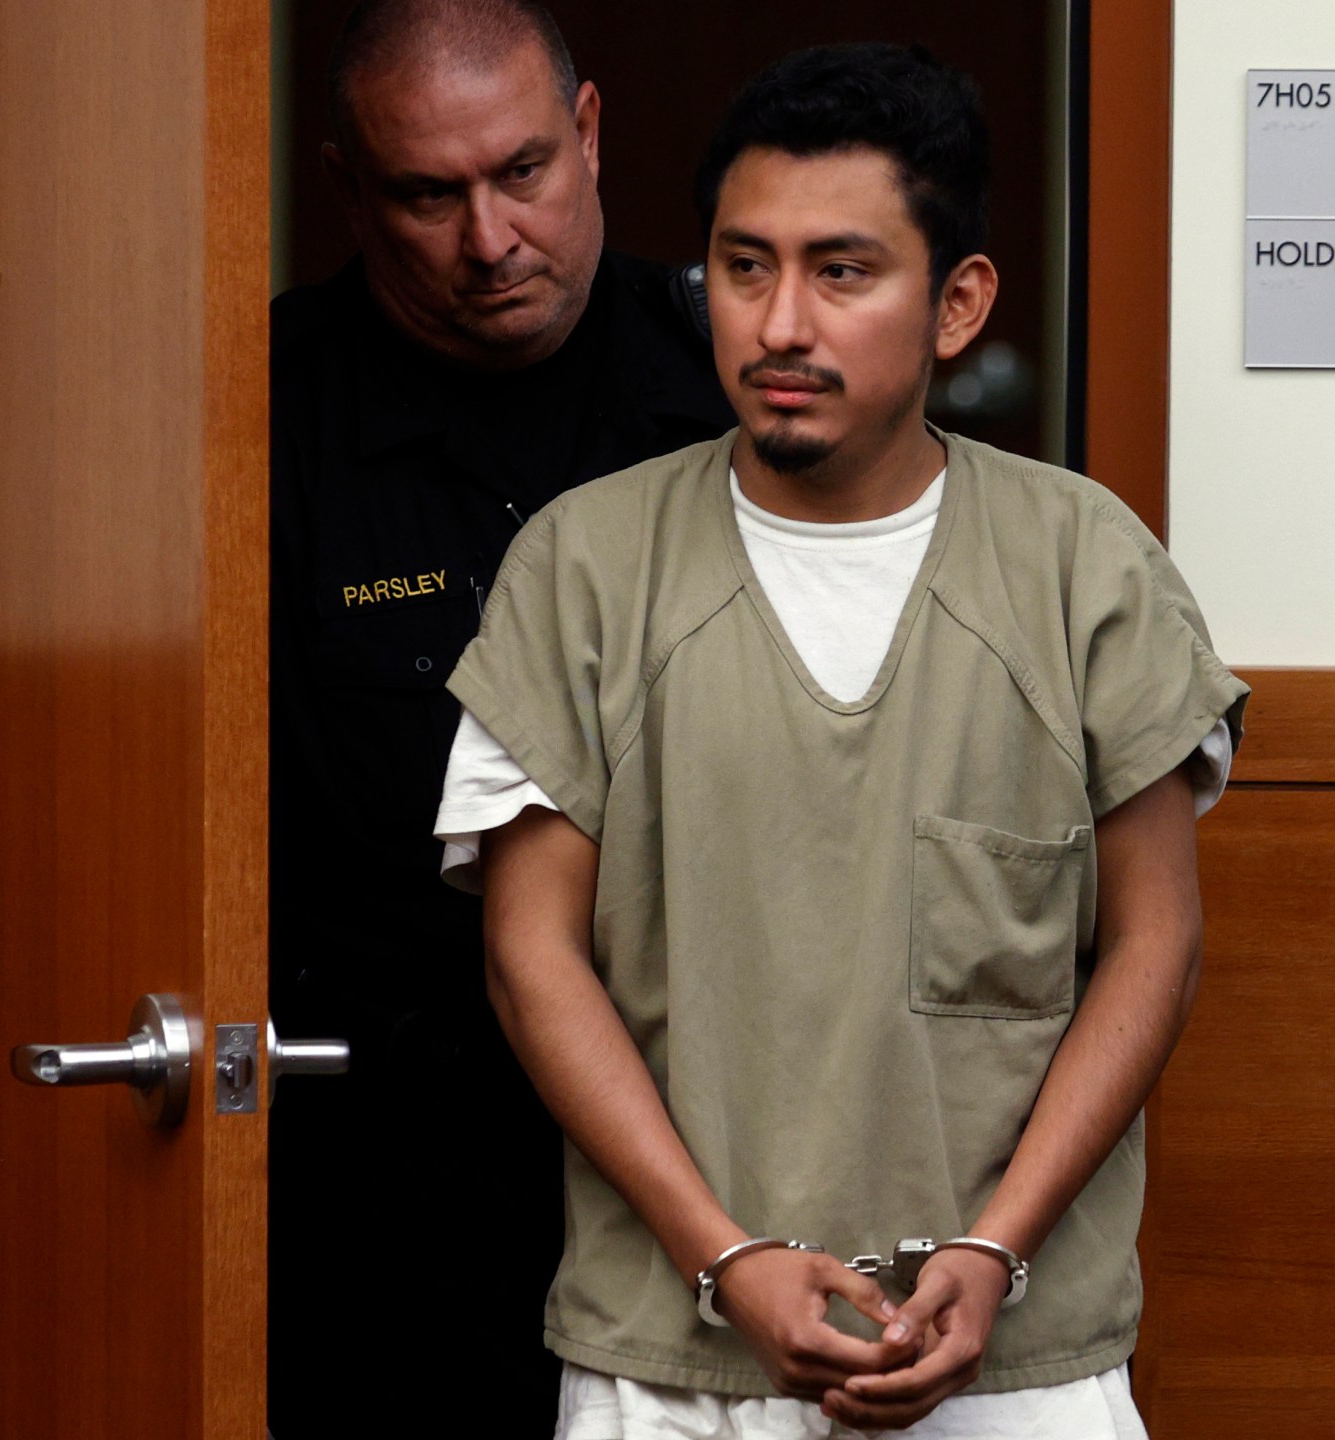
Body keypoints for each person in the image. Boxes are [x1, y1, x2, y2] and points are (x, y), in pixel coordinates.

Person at [434, 42, 1247, 1440]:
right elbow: (530, 955)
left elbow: (1155, 942)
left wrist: (994, 1252)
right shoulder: (589, 566)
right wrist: (725, 1258)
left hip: (1016, 1363)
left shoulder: (1082, 569)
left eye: (844, 272)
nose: (781, 324)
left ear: (958, 302)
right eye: (745, 269)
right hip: (670, 1363)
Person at [266, 1, 733, 1433]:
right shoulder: (256, 419)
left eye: (522, 172)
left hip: (716, 1142)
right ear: (350, 191)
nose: (488, 240)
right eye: (428, 195)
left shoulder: (740, 379)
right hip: (391, 1178)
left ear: (590, 136)